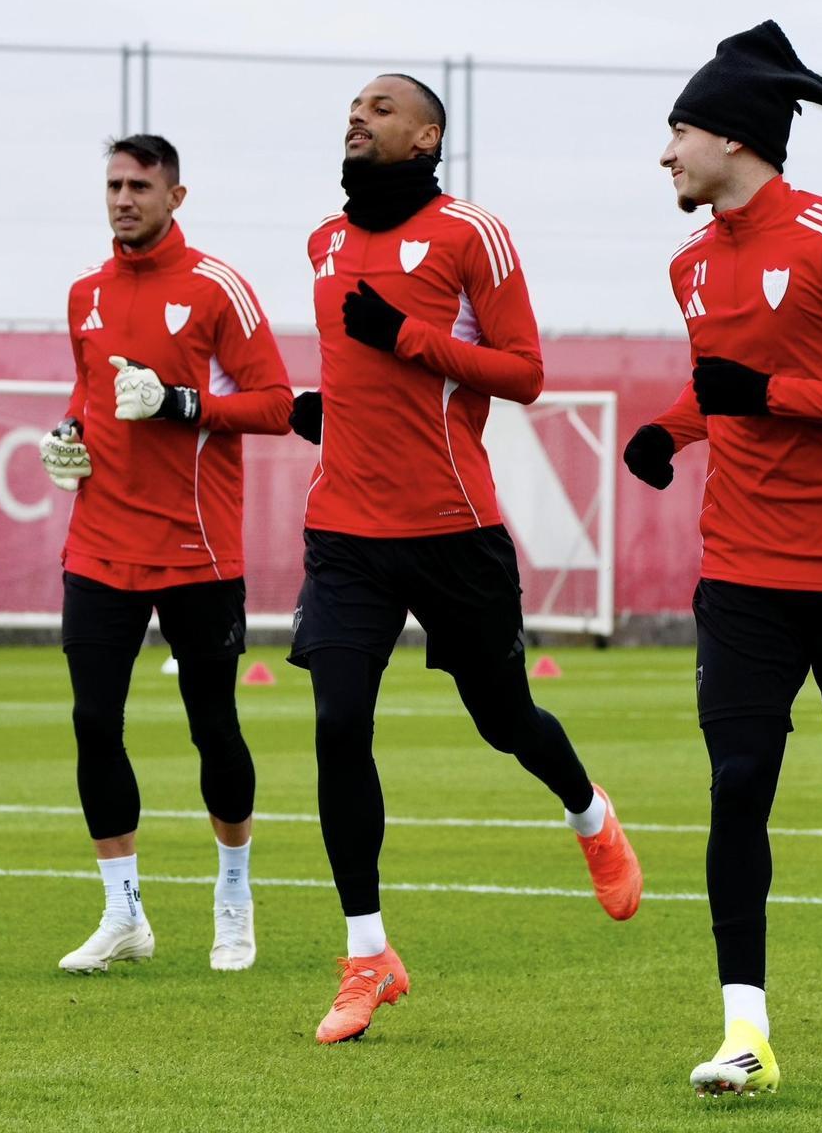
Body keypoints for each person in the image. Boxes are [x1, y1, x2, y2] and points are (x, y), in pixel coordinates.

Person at [622, 22, 822, 1097]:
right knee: (739, 782)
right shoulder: (689, 265)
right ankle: (746, 1035)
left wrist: (775, 401)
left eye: (678, 133)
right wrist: (670, 430)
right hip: (743, 572)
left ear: (734, 136)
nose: (665, 155)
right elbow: (725, 392)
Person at [288, 73, 643, 1045]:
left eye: (382, 108)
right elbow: (351, 376)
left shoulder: (469, 236)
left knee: (504, 719)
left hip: (453, 531)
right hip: (347, 533)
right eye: (353, 106)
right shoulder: (323, 240)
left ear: (426, 137)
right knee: (336, 721)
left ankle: (588, 812)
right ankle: (368, 955)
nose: (359, 115)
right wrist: (326, 409)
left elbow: (525, 374)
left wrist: (407, 338)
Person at [39, 134, 293, 975]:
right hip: (100, 544)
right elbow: (87, 390)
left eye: (139, 186)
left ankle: (233, 897)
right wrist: (70, 435)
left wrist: (182, 401)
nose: (122, 199)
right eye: (112, 184)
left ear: (176, 196)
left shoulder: (216, 288)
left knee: (213, 726)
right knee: (90, 724)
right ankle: (124, 914)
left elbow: (276, 403)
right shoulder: (84, 293)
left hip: (197, 547)